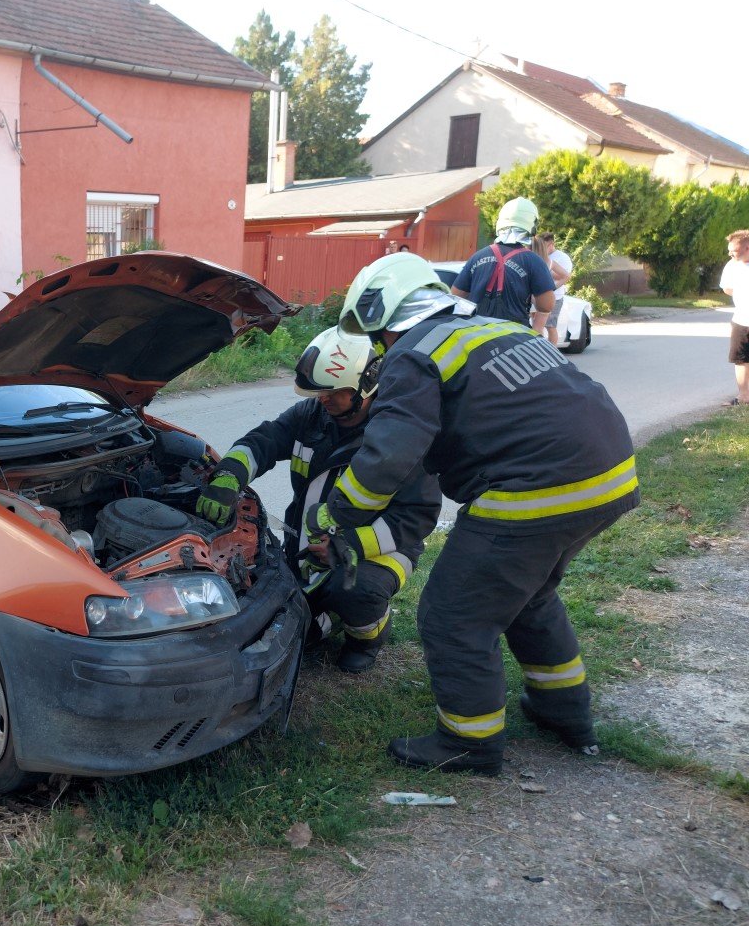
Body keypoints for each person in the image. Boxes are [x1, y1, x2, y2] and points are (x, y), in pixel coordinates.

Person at [307, 253, 638, 775]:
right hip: (610, 474)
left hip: (536, 488)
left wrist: (341, 508)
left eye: (376, 337)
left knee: (453, 614)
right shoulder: (491, 328)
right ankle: (564, 713)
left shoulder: (413, 353)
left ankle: (469, 743)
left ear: (383, 319)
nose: (378, 348)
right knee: (529, 596)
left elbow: (391, 454)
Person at [196, 328, 441, 674]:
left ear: (364, 385)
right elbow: (264, 440)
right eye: (318, 392)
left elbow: (416, 517)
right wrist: (228, 475)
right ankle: (324, 615)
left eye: (331, 392)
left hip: (380, 550)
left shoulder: (400, 435)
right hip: (307, 545)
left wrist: (349, 546)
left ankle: (368, 636)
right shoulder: (313, 416)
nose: (321, 399)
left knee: (356, 591)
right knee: (283, 621)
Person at [451, 197, 556, 332]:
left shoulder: (477, 256)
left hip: (476, 334)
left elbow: (455, 295)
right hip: (513, 337)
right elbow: (546, 306)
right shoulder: (534, 261)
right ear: (532, 226)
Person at [720, 230, 749, 406]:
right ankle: (743, 396)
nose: (730, 254)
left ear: (747, 247)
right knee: (741, 359)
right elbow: (727, 288)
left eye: (734, 250)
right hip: (741, 319)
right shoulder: (732, 265)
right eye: (729, 250)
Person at [541, 232, 573, 347]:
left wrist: (546, 269)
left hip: (555, 296)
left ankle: (552, 352)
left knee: (550, 326)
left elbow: (563, 276)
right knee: (537, 324)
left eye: (544, 246)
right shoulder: (541, 256)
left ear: (551, 244)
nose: (542, 249)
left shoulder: (562, 258)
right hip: (539, 295)